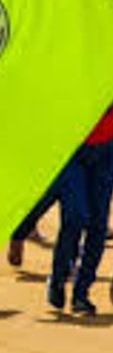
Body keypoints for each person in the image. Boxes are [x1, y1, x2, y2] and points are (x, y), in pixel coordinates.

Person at [44, 106, 113, 316]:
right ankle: (58, 278)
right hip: (72, 146)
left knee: (98, 225)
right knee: (75, 216)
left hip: (107, 150)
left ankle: (81, 292)